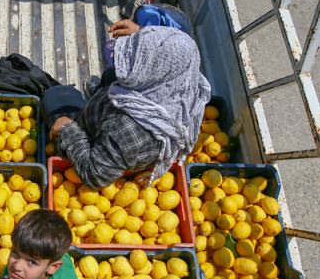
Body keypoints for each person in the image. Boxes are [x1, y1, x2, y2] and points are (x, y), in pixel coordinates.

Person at [41, 24, 210, 189]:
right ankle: (100, 91)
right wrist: (142, 35)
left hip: (109, 143)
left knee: (54, 97)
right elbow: (175, 49)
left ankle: (80, 111)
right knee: (111, 74)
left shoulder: (127, 130)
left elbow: (95, 174)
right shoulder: (188, 83)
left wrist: (67, 128)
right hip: (124, 130)